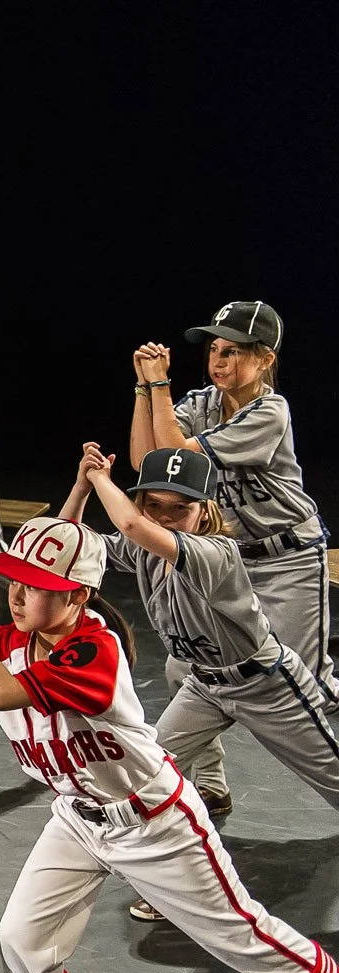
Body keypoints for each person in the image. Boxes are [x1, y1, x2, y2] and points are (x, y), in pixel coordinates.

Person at [0, 517, 338, 973]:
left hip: (155, 825)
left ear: (79, 593)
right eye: (14, 579)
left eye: (34, 584)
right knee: (21, 939)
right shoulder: (11, 642)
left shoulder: (95, 649)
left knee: (249, 942)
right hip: (77, 819)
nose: (15, 593)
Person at [62, 443, 339, 921]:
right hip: (203, 687)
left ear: (205, 509)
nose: (166, 518)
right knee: (150, 777)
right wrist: (83, 485)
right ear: (142, 500)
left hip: (265, 685)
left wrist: (105, 481)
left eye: (181, 508)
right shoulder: (144, 547)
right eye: (155, 505)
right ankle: (176, 885)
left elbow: (131, 525)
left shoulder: (217, 552)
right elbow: (67, 545)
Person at [130, 302, 329, 818]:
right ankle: (210, 778)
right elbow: (147, 462)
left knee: (302, 683)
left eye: (233, 351)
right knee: (186, 664)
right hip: (228, 557)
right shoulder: (202, 404)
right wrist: (144, 388)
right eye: (214, 350)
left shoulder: (270, 410)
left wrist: (159, 388)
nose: (218, 361)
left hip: (286, 558)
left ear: (265, 359)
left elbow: (187, 457)